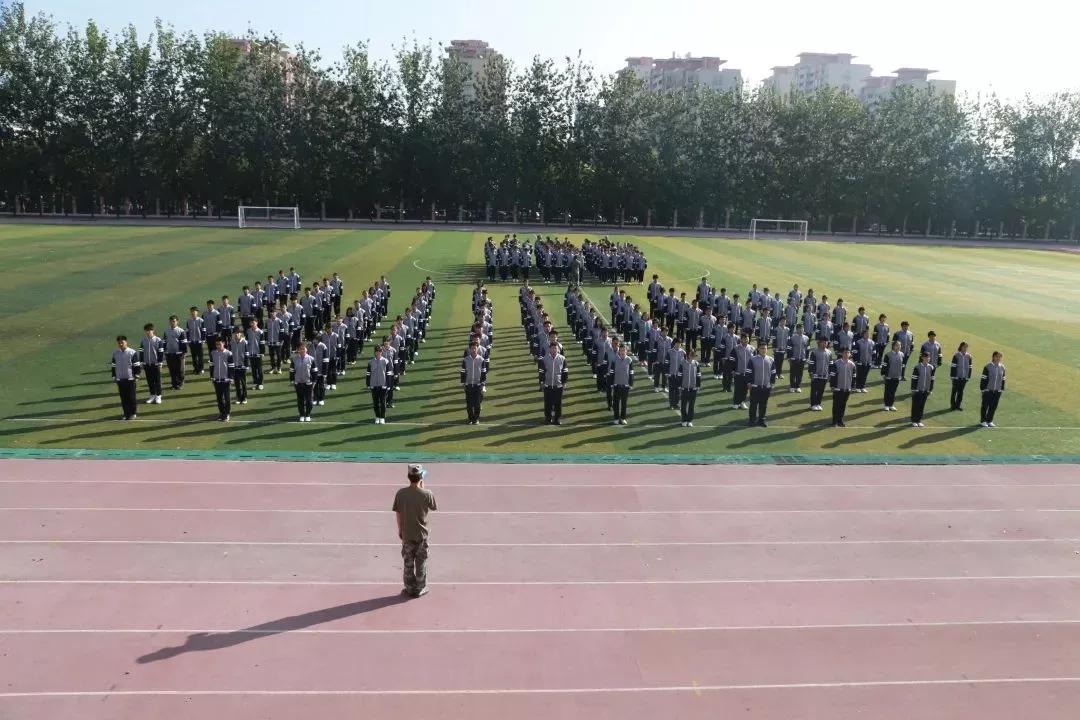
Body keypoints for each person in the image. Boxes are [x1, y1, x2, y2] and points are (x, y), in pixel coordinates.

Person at [394, 464, 438, 599]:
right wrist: (423, 489)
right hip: (421, 533)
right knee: (421, 561)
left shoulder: (401, 493)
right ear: (420, 477)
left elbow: (398, 512)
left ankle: (409, 587)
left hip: (407, 533)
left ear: (409, 477)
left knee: (408, 562)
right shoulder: (427, 494)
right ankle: (420, 588)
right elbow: (433, 507)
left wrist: (400, 529)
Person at [111, 335, 141, 420]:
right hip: (120, 379)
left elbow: (137, 366)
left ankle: (133, 413)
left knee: (131, 397)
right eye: (119, 343)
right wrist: (114, 376)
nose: (121, 344)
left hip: (130, 379)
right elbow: (113, 366)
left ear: (126, 342)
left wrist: (137, 375)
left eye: (122, 342)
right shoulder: (115, 353)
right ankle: (126, 414)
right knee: (123, 398)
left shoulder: (132, 352)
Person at [746, 340, 776, 427]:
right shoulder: (753, 359)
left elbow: (773, 372)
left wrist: (772, 383)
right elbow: (748, 372)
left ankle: (761, 420)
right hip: (755, 386)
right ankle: (752, 420)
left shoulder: (771, 360)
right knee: (753, 405)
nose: (764, 350)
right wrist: (749, 383)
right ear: (758, 349)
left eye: (765, 348)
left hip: (766, 387)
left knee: (763, 405)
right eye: (762, 348)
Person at [540, 341, 568, 425]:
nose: (554, 349)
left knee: (558, 403)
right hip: (547, 385)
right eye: (552, 348)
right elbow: (541, 372)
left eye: (556, 348)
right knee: (547, 403)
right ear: (549, 349)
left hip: (558, 385)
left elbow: (565, 372)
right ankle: (548, 419)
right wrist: (541, 382)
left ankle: (557, 419)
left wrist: (564, 382)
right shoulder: (544, 359)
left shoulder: (562, 359)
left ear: (558, 349)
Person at [460, 341, 488, 425]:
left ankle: (476, 419)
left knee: (477, 404)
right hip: (468, 385)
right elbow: (463, 372)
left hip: (477, 385)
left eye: (475, 348)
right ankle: (470, 419)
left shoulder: (481, 360)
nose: (473, 350)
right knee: (469, 404)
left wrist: (482, 384)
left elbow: (483, 373)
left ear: (477, 349)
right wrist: (464, 383)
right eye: (472, 348)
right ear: (470, 349)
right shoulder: (465, 360)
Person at [829, 348, 857, 427]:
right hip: (838, 388)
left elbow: (854, 376)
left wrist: (852, 387)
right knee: (836, 405)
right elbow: (832, 375)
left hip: (847, 389)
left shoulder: (852, 364)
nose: (846, 354)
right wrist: (832, 386)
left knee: (843, 405)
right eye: (845, 353)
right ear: (842, 354)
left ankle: (840, 421)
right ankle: (834, 421)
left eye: (848, 353)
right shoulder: (836, 363)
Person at [367, 344, 393, 424]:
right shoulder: (370, 362)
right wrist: (368, 384)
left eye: (380, 351)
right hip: (374, 385)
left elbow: (388, 374)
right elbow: (368, 374)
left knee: (382, 402)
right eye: (377, 351)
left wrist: (388, 385)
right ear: (375, 352)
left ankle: (382, 417)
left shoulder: (385, 361)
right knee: (375, 403)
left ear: (381, 352)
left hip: (383, 385)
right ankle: (377, 416)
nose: (378, 353)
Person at [290, 342, 316, 422]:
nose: (302, 350)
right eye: (300, 349)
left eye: (303, 349)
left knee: (309, 400)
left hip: (308, 383)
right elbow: (292, 371)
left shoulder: (311, 359)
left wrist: (314, 381)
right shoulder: (294, 359)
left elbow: (314, 371)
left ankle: (307, 414)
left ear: (306, 349)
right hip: (298, 383)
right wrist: (292, 381)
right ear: (298, 350)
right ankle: (301, 414)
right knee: (300, 400)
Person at [209, 338, 233, 421]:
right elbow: (211, 366)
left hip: (225, 379)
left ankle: (227, 414)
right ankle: (222, 413)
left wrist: (230, 378)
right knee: (219, 398)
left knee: (226, 398)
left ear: (224, 343)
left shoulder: (228, 353)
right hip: (216, 379)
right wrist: (212, 377)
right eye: (216, 344)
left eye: (219, 344)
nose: (218, 346)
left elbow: (231, 367)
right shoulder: (213, 353)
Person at [979, 351, 1006, 428]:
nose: (998, 358)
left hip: (997, 391)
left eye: (1000, 357)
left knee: (993, 406)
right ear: (993, 357)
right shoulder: (988, 366)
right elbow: (983, 378)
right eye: (997, 356)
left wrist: (1001, 389)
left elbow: (1003, 379)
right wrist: (983, 389)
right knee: (985, 406)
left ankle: (989, 420)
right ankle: (983, 421)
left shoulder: (1002, 367)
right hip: (988, 390)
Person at [609, 342, 634, 425]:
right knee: (616, 403)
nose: (623, 352)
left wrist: (631, 383)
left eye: (624, 350)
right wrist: (612, 383)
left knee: (624, 403)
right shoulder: (614, 360)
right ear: (619, 351)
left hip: (625, 386)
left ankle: (623, 418)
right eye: (621, 350)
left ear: (626, 351)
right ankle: (616, 418)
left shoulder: (629, 360)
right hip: (616, 385)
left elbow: (631, 372)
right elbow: (612, 372)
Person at [140, 323, 165, 405]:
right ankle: (152, 395)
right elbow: (141, 352)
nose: (148, 332)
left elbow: (161, 352)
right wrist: (142, 362)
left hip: (156, 364)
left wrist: (160, 362)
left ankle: (158, 396)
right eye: (146, 331)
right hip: (147, 364)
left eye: (149, 330)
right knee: (150, 381)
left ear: (153, 330)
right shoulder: (143, 340)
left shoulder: (158, 340)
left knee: (157, 381)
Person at [910, 350, 935, 427]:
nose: (927, 359)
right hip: (918, 390)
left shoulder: (931, 367)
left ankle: (919, 420)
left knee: (922, 406)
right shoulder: (917, 367)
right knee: (915, 405)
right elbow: (914, 379)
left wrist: (930, 389)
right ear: (922, 358)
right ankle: (914, 420)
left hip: (925, 390)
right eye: (926, 357)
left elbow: (932, 379)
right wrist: (914, 389)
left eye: (928, 357)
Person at [163, 315, 188, 390]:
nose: (172, 323)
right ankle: (174, 384)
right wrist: (164, 351)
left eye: (174, 321)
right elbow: (164, 342)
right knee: (172, 369)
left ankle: (180, 383)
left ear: (177, 322)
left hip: (178, 354)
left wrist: (184, 353)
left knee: (179, 369)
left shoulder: (181, 331)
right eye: (171, 321)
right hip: (169, 353)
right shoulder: (166, 331)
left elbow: (184, 343)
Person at [678, 349, 701, 427]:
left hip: (693, 389)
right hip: (684, 388)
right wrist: (680, 386)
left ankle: (689, 420)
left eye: (694, 356)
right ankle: (684, 420)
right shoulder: (682, 363)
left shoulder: (696, 364)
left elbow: (698, 376)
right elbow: (680, 375)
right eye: (693, 356)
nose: (694, 357)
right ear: (688, 356)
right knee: (683, 406)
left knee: (691, 406)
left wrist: (698, 386)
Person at [807, 337, 832, 412]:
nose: (825, 344)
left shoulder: (829, 352)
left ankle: (818, 404)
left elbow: (830, 364)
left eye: (826, 342)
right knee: (814, 390)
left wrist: (830, 374)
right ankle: (813, 405)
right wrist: (811, 373)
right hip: (816, 375)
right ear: (820, 343)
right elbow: (811, 363)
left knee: (821, 390)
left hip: (824, 375)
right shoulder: (814, 352)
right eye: (823, 342)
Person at [880, 340, 904, 411]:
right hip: (889, 376)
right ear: (893, 346)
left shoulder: (902, 354)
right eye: (897, 345)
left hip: (897, 376)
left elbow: (902, 366)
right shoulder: (888, 355)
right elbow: (884, 365)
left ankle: (891, 405)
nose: (898, 347)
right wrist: (884, 374)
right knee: (888, 391)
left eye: (899, 345)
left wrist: (901, 375)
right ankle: (886, 405)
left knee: (893, 391)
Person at [228, 326, 249, 405]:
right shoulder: (231, 342)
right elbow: (230, 354)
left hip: (242, 365)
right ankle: (239, 398)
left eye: (238, 333)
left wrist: (246, 365)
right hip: (234, 366)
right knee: (236, 383)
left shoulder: (245, 342)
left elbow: (246, 354)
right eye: (235, 333)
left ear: (241, 334)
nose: (236, 334)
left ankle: (244, 397)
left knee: (243, 383)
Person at [949, 341, 972, 411]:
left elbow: (970, 367)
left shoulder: (969, 356)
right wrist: (953, 376)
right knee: (954, 391)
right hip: (956, 377)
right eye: (964, 346)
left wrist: (968, 377)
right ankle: (953, 405)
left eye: (966, 347)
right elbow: (953, 366)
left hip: (964, 377)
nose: (965, 348)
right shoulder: (956, 355)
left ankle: (958, 405)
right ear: (961, 347)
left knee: (960, 392)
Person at [787, 322, 809, 393]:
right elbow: (789, 348)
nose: (801, 330)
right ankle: (792, 386)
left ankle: (798, 386)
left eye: (802, 328)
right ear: (796, 329)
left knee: (800, 373)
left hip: (802, 358)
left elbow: (807, 349)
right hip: (794, 358)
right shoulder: (792, 337)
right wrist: (790, 357)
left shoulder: (806, 338)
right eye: (799, 328)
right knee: (793, 373)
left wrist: (806, 357)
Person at [186, 307, 206, 375]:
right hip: (192, 341)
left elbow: (203, 330)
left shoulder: (201, 320)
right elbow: (187, 331)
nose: (193, 313)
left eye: (194, 312)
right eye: (192, 312)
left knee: (200, 356)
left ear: (197, 312)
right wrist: (188, 340)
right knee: (194, 356)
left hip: (199, 341)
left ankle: (201, 368)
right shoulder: (189, 321)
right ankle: (196, 368)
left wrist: (203, 339)